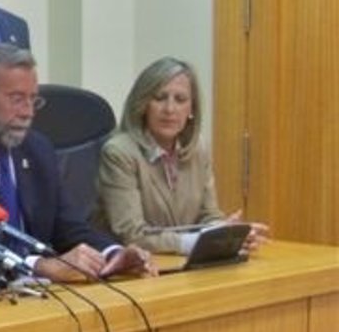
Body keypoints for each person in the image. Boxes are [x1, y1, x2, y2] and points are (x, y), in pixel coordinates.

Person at [0, 44, 153, 282]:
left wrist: (113, 253)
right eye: (17, 99)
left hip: (47, 293)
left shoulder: (38, 149)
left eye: (33, 100)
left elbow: (68, 226)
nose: (28, 112)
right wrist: (38, 266)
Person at [96, 57, 269, 254]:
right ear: (143, 104)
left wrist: (226, 234)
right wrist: (193, 243)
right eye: (159, 98)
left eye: (180, 100)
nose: (169, 109)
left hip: (181, 262)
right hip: (130, 265)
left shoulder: (198, 148)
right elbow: (133, 235)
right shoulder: (119, 152)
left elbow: (207, 215)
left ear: (192, 109)